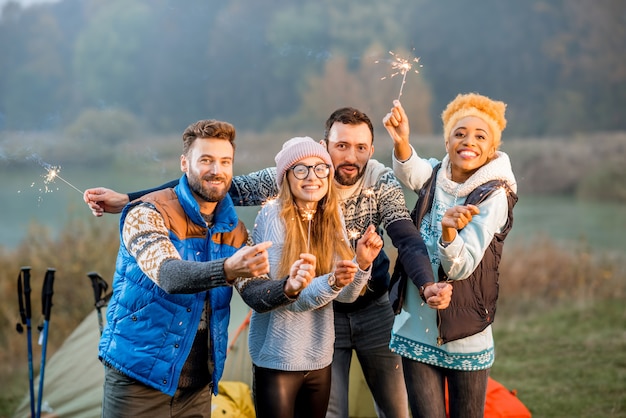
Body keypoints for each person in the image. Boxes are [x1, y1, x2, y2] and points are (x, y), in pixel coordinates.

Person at [84, 107, 452, 418]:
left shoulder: (376, 183)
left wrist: (415, 281)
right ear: (325, 147)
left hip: (363, 308)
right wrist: (129, 199)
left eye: (359, 148)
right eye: (341, 146)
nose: (349, 157)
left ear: (371, 149)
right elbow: (210, 188)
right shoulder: (284, 184)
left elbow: (405, 237)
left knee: (394, 407)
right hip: (305, 323)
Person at [98, 119, 311, 418]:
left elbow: (253, 292)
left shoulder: (234, 229)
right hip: (138, 381)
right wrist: (228, 268)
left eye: (225, 162)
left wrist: (288, 287)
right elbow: (169, 275)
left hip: (198, 387)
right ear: (185, 163)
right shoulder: (147, 212)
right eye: (206, 160)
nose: (217, 170)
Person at [383, 93, 518, 418]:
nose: (467, 141)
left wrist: (447, 232)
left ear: (491, 148)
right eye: (459, 133)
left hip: (464, 332)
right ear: (447, 141)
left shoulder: (493, 194)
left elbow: (461, 266)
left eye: (479, 135)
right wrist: (402, 142)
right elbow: (412, 172)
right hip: (416, 324)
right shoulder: (436, 175)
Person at [249, 136, 382, 418]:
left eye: (321, 168)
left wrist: (360, 265)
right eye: (301, 169)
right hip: (279, 359)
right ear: (287, 176)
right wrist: (331, 281)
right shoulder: (273, 216)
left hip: (319, 358)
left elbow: (345, 297)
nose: (312, 177)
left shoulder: (332, 216)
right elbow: (288, 298)